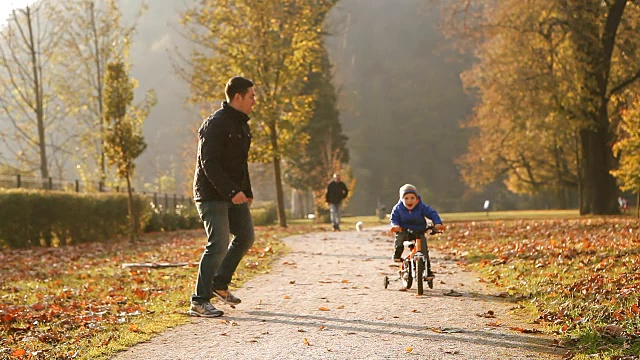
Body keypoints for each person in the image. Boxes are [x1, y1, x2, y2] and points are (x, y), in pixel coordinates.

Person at [189, 76, 256, 318]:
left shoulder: (242, 126)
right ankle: (199, 300)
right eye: (251, 96)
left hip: (233, 194)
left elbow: (241, 165)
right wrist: (231, 191)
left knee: (246, 236)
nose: (254, 101)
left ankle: (219, 283)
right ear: (237, 97)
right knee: (218, 243)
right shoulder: (215, 124)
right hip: (211, 194)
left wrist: (246, 191)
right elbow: (209, 164)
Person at [389, 184, 444, 278]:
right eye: (406, 198)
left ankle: (427, 270)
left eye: (412, 198)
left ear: (417, 198)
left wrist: (437, 223)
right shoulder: (398, 208)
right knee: (399, 239)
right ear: (402, 199)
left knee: (424, 250)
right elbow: (394, 219)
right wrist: (395, 226)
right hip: (404, 230)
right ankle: (397, 254)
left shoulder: (421, 206)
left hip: (419, 231)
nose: (409, 201)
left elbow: (432, 213)